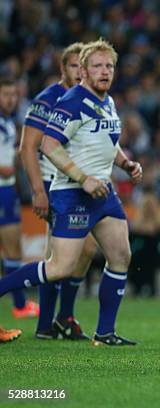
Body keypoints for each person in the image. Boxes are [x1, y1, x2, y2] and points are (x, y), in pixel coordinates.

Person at [0, 39, 143, 346]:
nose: (104, 72)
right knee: (59, 267)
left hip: (103, 193)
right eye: (96, 66)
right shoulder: (72, 101)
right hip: (73, 193)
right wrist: (82, 178)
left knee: (120, 256)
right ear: (83, 73)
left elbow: (108, 140)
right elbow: (48, 144)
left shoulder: (108, 102)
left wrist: (125, 163)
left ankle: (105, 333)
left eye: (109, 66)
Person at [20, 42, 97, 340]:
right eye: (74, 66)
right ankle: (48, 324)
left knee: (84, 250)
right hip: (55, 184)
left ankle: (62, 317)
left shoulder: (89, 98)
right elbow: (28, 147)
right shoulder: (48, 99)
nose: (80, 72)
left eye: (83, 66)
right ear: (62, 69)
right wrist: (38, 190)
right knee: (58, 256)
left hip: (78, 183)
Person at [0, 78, 40, 319]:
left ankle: (19, 305)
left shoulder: (9, 123)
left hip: (7, 190)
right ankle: (19, 304)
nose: (10, 99)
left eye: (13, 95)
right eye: (5, 94)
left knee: (14, 249)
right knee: (12, 249)